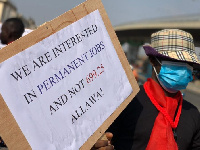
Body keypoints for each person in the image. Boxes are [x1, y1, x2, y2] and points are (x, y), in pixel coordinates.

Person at [93, 29, 200, 150]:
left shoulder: (193, 113)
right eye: (174, 61)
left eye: (188, 63)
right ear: (153, 60)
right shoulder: (125, 101)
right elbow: (100, 140)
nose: (183, 69)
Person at [0, 18, 24, 149]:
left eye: (2, 30)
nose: (1, 34)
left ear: (9, 32)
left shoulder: (4, 58)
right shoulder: (27, 55)